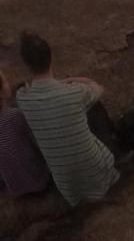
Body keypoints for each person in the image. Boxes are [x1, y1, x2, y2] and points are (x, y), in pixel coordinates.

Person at [14, 32, 123, 208]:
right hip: (98, 170)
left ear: (26, 65)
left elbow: (28, 90)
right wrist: (72, 80)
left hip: (67, 185)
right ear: (51, 58)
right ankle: (117, 151)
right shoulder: (74, 92)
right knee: (93, 107)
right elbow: (98, 88)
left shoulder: (22, 98)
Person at [0, 71, 52, 198]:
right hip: (39, 183)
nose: (8, 83)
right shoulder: (16, 116)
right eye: (5, 82)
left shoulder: (13, 115)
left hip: (15, 189)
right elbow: (42, 146)